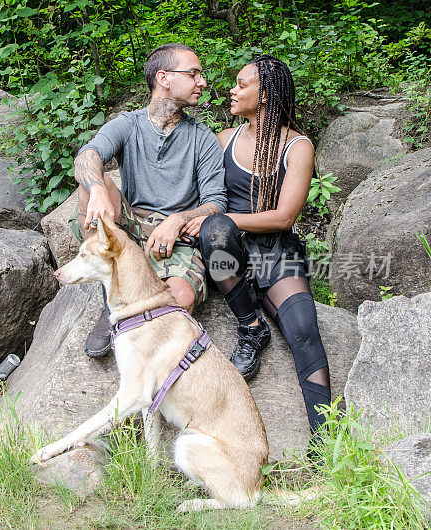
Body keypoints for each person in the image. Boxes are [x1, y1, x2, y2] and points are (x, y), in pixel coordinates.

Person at [184, 55, 331, 435]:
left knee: (303, 328)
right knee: (215, 229)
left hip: (274, 253)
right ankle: (251, 327)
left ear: (265, 95)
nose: (232, 90)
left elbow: (284, 218)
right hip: (225, 252)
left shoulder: (297, 146)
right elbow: (203, 200)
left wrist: (225, 219)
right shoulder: (223, 140)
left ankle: (328, 438)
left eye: (241, 84)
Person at [71, 43, 227, 358]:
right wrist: (99, 187)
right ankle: (112, 295)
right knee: (89, 185)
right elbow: (87, 155)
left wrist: (177, 220)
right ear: (164, 77)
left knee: (180, 300)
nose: (203, 82)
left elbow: (216, 202)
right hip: (129, 226)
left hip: (177, 238)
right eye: (193, 73)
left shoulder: (203, 139)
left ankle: (132, 314)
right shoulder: (128, 124)